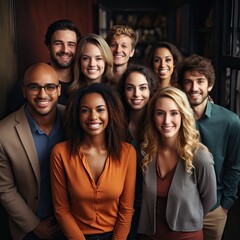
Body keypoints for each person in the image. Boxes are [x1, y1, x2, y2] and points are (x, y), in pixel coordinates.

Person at [50, 83, 137, 240]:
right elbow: (61, 210)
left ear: (111, 112)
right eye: (85, 110)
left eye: (100, 109)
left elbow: (127, 210)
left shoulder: (127, 152)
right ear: (77, 115)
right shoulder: (60, 153)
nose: (93, 117)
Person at [138, 86, 217, 240]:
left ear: (183, 115)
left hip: (187, 236)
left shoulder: (200, 156)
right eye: (160, 113)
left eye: (174, 113)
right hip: (151, 236)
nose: (166, 121)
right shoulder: (147, 153)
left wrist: (188, 219)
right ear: (153, 117)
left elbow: (210, 200)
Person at [0, 63, 66, 239]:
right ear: (24, 91)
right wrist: (35, 225)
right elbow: (4, 188)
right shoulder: (4, 132)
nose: (42, 95)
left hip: (74, 224)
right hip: (30, 228)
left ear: (59, 90)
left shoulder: (74, 119)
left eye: (50, 87)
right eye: (34, 87)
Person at [179, 54, 240, 240]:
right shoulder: (173, 118)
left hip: (214, 210)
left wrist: (225, 205)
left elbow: (235, 166)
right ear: (182, 86)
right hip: (178, 207)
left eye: (200, 81)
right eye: (188, 82)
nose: (194, 88)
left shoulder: (230, 121)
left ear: (210, 85)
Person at [6, 19, 81, 115]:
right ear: (49, 46)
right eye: (58, 43)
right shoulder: (29, 83)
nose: (65, 50)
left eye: (71, 44)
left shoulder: (84, 83)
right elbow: (12, 124)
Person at [118, 64, 159, 240]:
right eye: (130, 88)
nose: (136, 94)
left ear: (151, 90)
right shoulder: (115, 123)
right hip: (119, 203)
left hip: (153, 204)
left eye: (143, 88)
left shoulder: (160, 124)